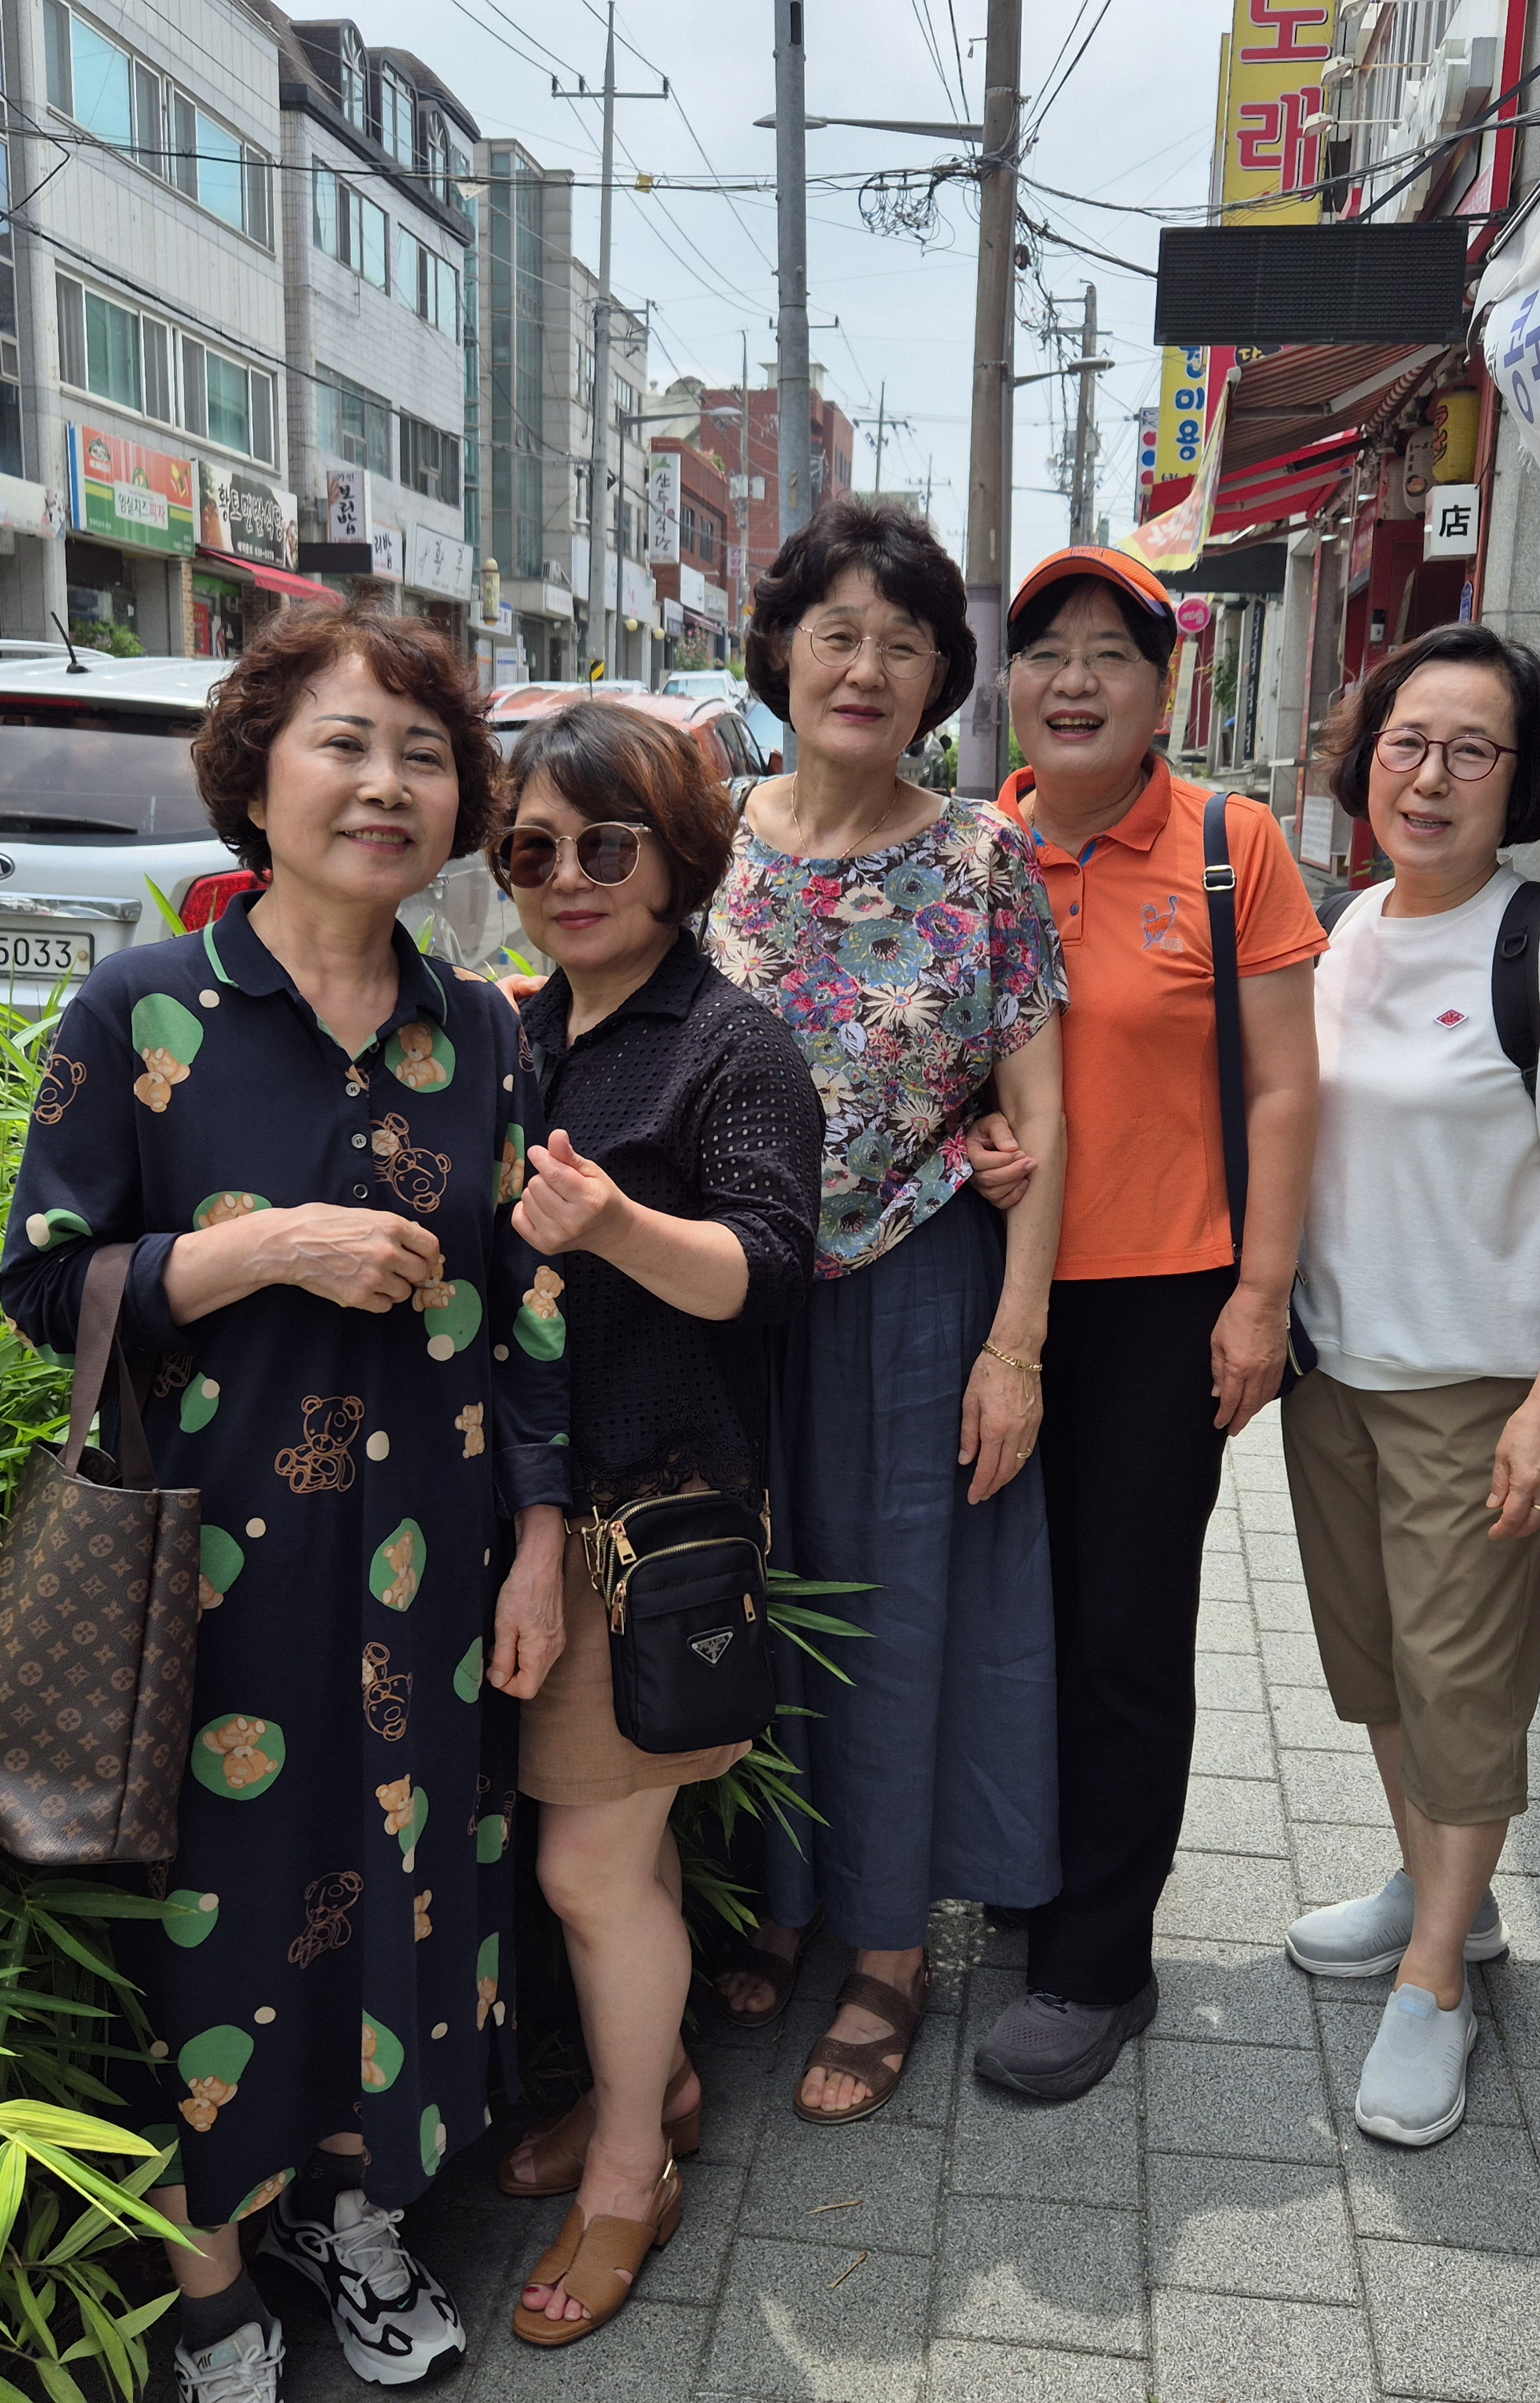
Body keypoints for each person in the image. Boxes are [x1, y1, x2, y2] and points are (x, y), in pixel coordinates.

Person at [0, 602, 571, 2401]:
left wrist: (541, 1545)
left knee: (409, 1898)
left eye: (424, 755)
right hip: (212, 1583)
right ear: (255, 777)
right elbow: (45, 1280)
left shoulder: (484, 1035)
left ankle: (358, 2218)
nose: (386, 785)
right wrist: (262, 1251)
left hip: (432, 1583)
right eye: (344, 743)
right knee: (220, 1918)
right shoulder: (144, 1007)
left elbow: (532, 1318)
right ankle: (212, 2287)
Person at [702, 496, 1071, 2123]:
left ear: (938, 681)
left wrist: (1016, 1349)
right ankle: (776, 1898)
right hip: (721, 1293)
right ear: (780, 650)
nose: (863, 668)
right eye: (835, 633)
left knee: (901, 1614)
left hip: (917, 1285)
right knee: (747, 1585)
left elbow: (1039, 1121)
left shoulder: (984, 859)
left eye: (901, 644)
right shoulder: (704, 833)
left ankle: (887, 1950)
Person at [1278, 622, 1540, 2147]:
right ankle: (1442, 1890)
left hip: (1475, 1389)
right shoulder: (1342, 930)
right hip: (1333, 1374)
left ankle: (1436, 1980)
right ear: (1366, 762)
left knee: (1464, 1685)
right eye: (1406, 745)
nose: (1429, 779)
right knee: (1378, 1668)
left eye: (1470, 752)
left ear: (1524, 777)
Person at [960, 546, 1324, 2100]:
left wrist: (1259, 1296)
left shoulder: (1230, 848)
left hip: (1164, 1298)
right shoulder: (971, 852)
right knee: (1008, 1613)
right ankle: (1024, 1872)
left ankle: (1100, 1960)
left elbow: (1285, 1089)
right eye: (1047, 652)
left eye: (1111, 653)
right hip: (988, 1289)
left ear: (1162, 692)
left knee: (1120, 1628)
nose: (1075, 681)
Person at [482, 700, 823, 2345]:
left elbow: (771, 1269)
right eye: (530, 848)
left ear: (678, 857)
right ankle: (660, 2078)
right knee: (617, 1856)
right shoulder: (521, 1033)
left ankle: (632, 2169)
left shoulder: (728, 1044)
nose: (567, 876)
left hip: (650, 1526)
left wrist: (615, 1224)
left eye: (603, 843)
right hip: (528, 1510)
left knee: (587, 1862)